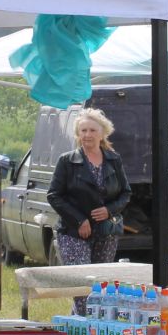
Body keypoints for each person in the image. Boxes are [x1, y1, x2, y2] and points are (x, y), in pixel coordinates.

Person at [47, 110, 132, 293]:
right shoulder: (67, 161)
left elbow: (125, 193)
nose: (87, 135)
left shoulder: (113, 159)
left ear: (102, 133)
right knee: (83, 286)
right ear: (78, 134)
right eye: (83, 130)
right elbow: (54, 195)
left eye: (92, 130)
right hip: (74, 233)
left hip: (106, 232)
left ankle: (80, 322)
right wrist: (79, 220)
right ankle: (88, 322)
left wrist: (109, 210)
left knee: (100, 287)